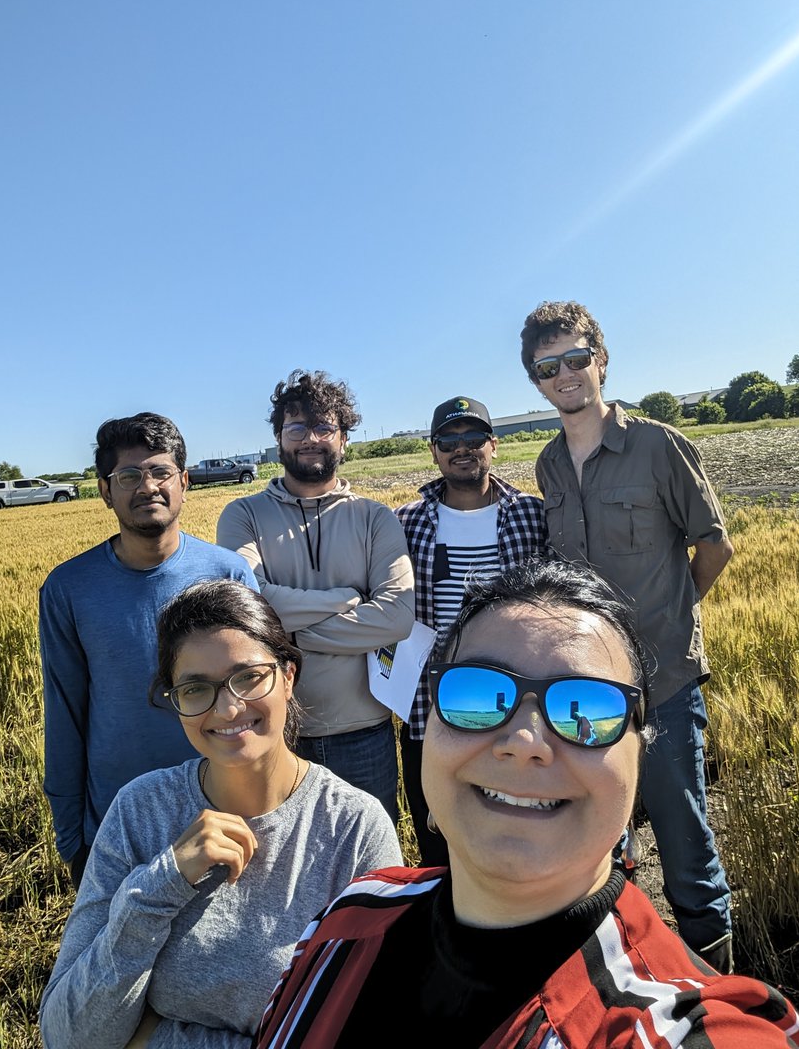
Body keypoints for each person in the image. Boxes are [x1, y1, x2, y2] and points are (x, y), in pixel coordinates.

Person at [252, 561, 799, 1049]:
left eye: (587, 708)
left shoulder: (680, 1029)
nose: (524, 740)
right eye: (475, 694)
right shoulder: (348, 916)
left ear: (640, 756)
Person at [40, 580, 402, 1049]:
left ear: (288, 676)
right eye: (196, 688)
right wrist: (162, 883)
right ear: (175, 700)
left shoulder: (353, 829)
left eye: (248, 677)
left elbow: (370, 1028)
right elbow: (68, 1036)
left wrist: (153, 1039)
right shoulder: (140, 812)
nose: (229, 708)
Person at [519, 301, 735, 970]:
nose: (565, 375)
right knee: (602, 840)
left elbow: (714, 546)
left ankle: (715, 991)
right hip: (587, 692)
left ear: (601, 360)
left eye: (576, 358)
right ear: (536, 382)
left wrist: (672, 616)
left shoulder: (658, 445)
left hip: (664, 682)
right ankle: (628, 985)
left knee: (685, 842)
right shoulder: (550, 465)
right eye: (547, 367)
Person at [40, 411, 258, 887]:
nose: (148, 487)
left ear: (184, 482)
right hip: (119, 825)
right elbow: (64, 712)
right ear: (105, 490)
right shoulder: (69, 589)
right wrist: (71, 838)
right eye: (129, 476)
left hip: (225, 813)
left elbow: (260, 695)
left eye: (161, 471)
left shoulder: (229, 574)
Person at [217, 370, 414, 820]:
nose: (311, 438)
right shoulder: (243, 516)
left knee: (368, 860)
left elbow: (396, 617)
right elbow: (247, 606)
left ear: (343, 439)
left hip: (364, 735)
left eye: (324, 427)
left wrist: (283, 636)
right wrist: (349, 598)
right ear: (278, 438)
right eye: (297, 428)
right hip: (272, 733)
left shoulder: (375, 519)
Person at [394, 394, 546, 864]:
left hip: (516, 701)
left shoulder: (531, 515)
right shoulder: (406, 522)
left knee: (512, 826)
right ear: (434, 451)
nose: (462, 448)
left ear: (493, 445)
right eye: (448, 440)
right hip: (431, 705)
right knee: (437, 834)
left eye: (474, 437)